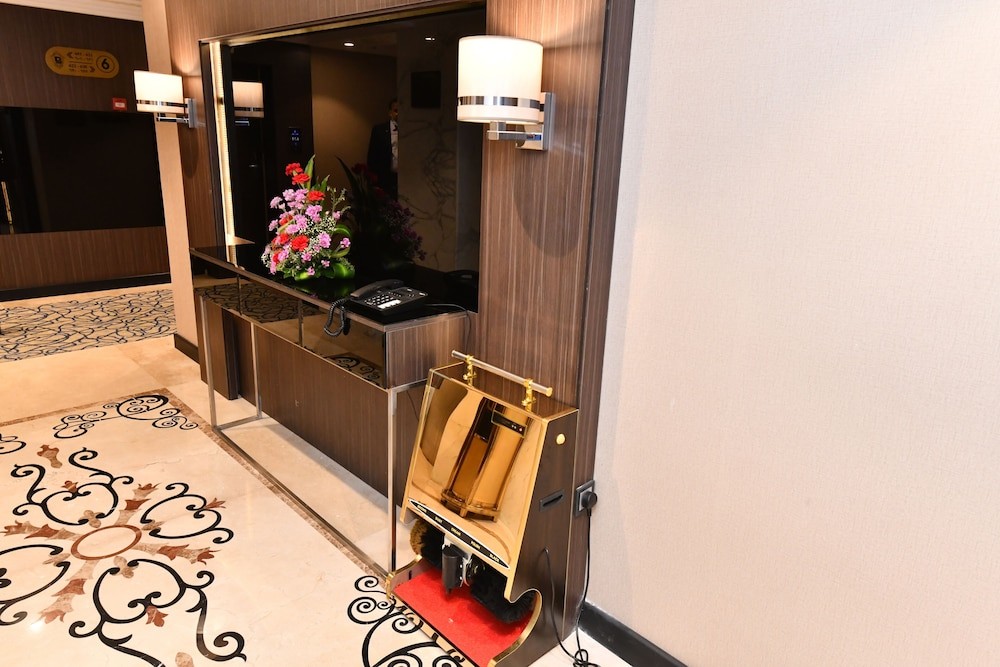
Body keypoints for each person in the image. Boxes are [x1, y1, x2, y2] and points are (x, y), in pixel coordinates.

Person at [366, 99, 399, 200]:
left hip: (406, 177)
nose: (398, 114)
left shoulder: (411, 131)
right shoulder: (379, 130)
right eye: (396, 110)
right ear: (390, 112)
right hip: (385, 178)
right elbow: (372, 155)